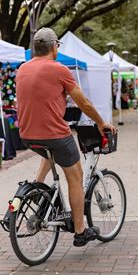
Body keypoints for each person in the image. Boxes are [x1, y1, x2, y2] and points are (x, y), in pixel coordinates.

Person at [16, 28, 116, 247]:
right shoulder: (58, 69)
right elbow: (84, 103)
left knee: (49, 151)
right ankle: (80, 231)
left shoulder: (22, 69)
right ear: (54, 47)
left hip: (26, 135)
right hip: (55, 134)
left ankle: (37, 187)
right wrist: (101, 123)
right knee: (76, 177)